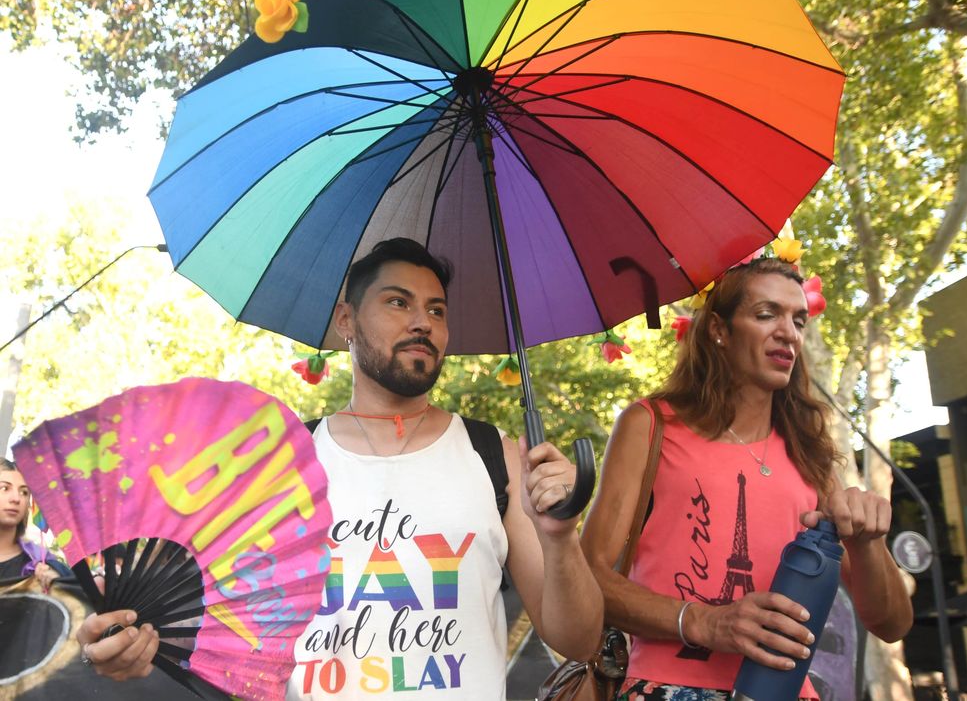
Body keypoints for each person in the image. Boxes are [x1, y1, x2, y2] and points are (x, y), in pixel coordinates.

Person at [75, 237, 604, 699]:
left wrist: (559, 539)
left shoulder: (499, 457)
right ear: (346, 320)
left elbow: (578, 641)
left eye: (437, 310)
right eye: (398, 302)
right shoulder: (280, 464)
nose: (423, 322)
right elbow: (194, 619)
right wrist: (126, 642)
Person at [581, 257, 913, 701]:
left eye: (798, 320)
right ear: (719, 329)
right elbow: (587, 576)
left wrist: (868, 543)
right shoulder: (650, 425)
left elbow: (891, 624)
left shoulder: (810, 451)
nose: (789, 332)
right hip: (665, 689)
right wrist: (703, 621)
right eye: (766, 314)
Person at [0, 457, 69, 589]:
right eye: (5, 488)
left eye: (24, 492)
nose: (16, 498)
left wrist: (57, 585)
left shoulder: (42, 563)